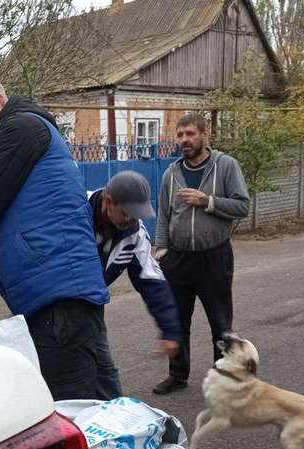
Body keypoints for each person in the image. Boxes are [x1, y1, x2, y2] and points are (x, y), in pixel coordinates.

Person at [0, 69, 109, 400]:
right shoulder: (25, 131)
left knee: (71, 411)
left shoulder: (20, 129)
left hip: (58, 303)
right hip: (59, 299)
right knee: (96, 405)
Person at [152, 114, 250, 394]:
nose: (184, 139)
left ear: (204, 135)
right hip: (178, 260)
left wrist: (207, 201)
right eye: (180, 134)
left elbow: (243, 206)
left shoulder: (226, 165)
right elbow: (163, 215)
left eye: (190, 134)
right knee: (178, 321)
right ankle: (177, 374)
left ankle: (222, 378)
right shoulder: (171, 173)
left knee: (220, 323)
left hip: (214, 257)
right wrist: (161, 251)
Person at [88, 171, 181, 399]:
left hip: (89, 308)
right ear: (108, 203)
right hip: (51, 305)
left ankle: (110, 423)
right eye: (127, 214)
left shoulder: (135, 234)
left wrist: (170, 330)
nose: (133, 220)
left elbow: (152, 281)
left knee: (105, 373)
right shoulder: (75, 210)